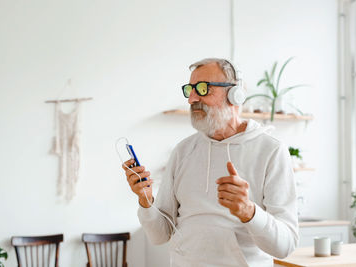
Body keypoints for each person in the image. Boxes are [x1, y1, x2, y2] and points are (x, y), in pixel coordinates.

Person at [122, 58, 298, 267]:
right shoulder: (183, 151)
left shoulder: (271, 151)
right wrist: (145, 200)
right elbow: (159, 235)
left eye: (203, 89)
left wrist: (249, 212)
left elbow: (285, 246)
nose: (192, 98)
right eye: (190, 89)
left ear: (234, 94)